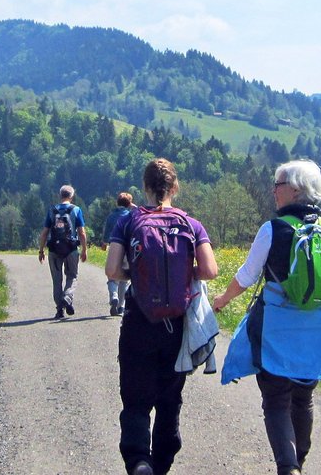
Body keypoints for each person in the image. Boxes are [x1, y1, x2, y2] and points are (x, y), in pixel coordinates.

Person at [213, 159, 321, 475]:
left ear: (294, 189)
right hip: (316, 332)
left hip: (276, 330)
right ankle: (298, 462)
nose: (273, 190)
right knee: (303, 398)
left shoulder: (273, 229)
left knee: (277, 400)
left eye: (277, 184)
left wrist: (222, 300)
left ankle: (288, 466)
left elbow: (247, 276)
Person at [105, 158, 218, 475]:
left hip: (139, 320)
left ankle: (139, 459)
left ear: (145, 187)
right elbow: (209, 270)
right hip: (177, 324)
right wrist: (183, 274)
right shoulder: (191, 224)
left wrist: (139, 277)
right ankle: (163, 461)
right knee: (170, 395)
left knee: (135, 396)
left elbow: (112, 270)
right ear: (174, 187)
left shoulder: (128, 222)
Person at [39, 185, 87, 319]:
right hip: (71, 249)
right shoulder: (76, 210)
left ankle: (59, 309)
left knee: (57, 280)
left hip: (54, 249)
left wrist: (41, 250)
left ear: (60, 195)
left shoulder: (52, 210)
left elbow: (44, 233)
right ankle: (67, 297)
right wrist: (84, 249)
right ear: (72, 196)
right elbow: (81, 232)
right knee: (72, 276)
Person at [102, 192, 135, 316]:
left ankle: (113, 296)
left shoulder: (111, 216)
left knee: (112, 276)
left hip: (114, 248)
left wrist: (104, 243)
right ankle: (121, 306)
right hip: (128, 249)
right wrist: (133, 206)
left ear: (117, 202)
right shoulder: (131, 216)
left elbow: (107, 232)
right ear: (129, 203)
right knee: (124, 279)